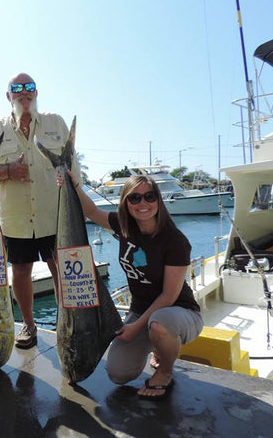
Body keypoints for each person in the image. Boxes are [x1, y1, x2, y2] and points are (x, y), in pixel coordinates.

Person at [60, 171, 203, 400]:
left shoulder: (174, 241)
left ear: (158, 199)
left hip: (179, 312)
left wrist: (135, 328)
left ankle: (165, 370)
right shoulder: (124, 225)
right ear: (126, 202)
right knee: (118, 373)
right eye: (134, 198)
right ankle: (158, 346)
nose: (143, 203)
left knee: (160, 324)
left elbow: (168, 296)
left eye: (149, 196)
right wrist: (73, 183)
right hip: (142, 311)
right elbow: (91, 211)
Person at [0, 72, 80, 349]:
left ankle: (67, 323)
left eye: (30, 88)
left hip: (53, 213)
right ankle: (28, 324)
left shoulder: (55, 122)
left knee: (60, 268)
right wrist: (7, 170)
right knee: (21, 270)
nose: (24, 93)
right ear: (8, 95)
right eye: (17, 88)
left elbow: (72, 163)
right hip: (15, 218)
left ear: (36, 93)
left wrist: (76, 190)